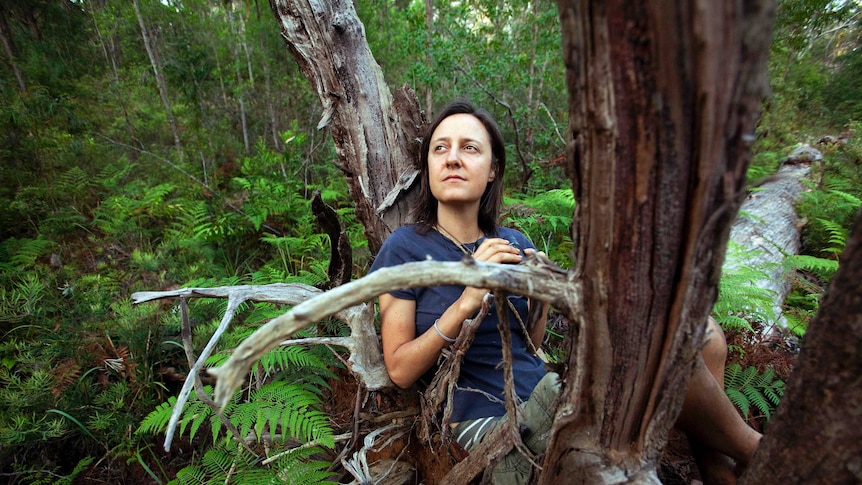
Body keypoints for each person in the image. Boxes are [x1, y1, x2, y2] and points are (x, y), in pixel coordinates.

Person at [369, 99, 761, 484]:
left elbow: (528, 343)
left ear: (492, 170)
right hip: (485, 420)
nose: (452, 158)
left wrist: (539, 295)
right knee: (659, 346)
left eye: (469, 148)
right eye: (441, 149)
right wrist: (467, 300)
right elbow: (401, 370)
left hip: (546, 389)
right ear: (429, 167)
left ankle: (719, 467)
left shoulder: (511, 241)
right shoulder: (405, 249)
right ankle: (754, 451)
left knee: (702, 333)